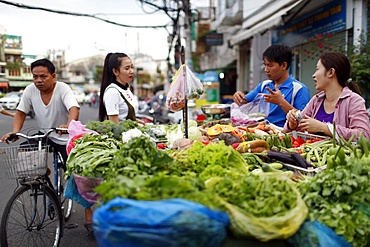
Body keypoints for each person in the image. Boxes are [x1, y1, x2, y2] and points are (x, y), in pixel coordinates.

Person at [0, 58, 92, 233]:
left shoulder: (63, 89)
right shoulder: (30, 90)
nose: (38, 80)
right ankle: (44, 174)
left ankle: (89, 214)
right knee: (24, 150)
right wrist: (14, 131)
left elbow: (74, 108)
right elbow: (20, 113)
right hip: (45, 135)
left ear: (53, 76)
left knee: (79, 175)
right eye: (35, 77)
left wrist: (68, 124)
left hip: (64, 137)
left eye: (43, 76)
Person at [285, 52, 370, 140]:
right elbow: (295, 129)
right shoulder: (316, 100)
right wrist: (292, 125)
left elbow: (364, 135)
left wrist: (324, 128)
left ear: (331, 72)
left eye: (317, 69)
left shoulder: (354, 101)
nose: (313, 75)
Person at [233, 44, 311, 127]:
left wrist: (281, 102)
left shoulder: (299, 89)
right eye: (265, 65)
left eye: (270, 65)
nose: (266, 70)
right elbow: (244, 100)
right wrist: (239, 97)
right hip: (261, 130)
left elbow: (302, 120)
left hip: (284, 136)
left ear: (283, 65)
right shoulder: (264, 85)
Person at [98, 52, 139, 124]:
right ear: (115, 71)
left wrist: (136, 122)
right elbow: (115, 126)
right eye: (127, 68)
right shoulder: (112, 92)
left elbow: (124, 118)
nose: (131, 71)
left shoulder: (127, 88)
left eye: (132, 67)